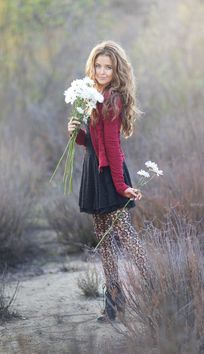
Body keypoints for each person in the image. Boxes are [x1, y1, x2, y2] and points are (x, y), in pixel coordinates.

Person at [68, 40, 151, 322]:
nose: (102, 71)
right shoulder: (93, 94)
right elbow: (93, 142)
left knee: (125, 234)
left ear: (117, 71)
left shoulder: (112, 98)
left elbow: (113, 146)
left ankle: (157, 288)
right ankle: (114, 301)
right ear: (93, 66)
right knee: (104, 241)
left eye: (108, 67)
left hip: (110, 175)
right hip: (94, 171)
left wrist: (121, 186)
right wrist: (75, 134)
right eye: (98, 66)